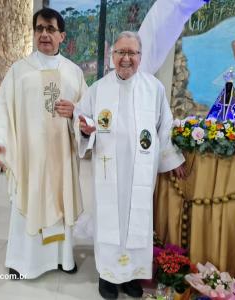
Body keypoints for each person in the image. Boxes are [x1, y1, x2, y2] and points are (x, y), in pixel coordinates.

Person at [75, 31, 185, 299]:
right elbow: (83, 119)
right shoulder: (98, 88)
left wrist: (172, 159)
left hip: (140, 171)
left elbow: (164, 127)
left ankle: (132, 276)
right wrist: (86, 131)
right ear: (112, 56)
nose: (126, 58)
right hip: (107, 171)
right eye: (120, 53)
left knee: (138, 221)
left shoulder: (154, 88)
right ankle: (108, 276)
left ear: (140, 57)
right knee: (109, 220)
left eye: (131, 53)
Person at [0, 8, 87, 279]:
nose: (44, 34)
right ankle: (23, 261)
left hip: (62, 155)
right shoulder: (19, 71)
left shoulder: (73, 72)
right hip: (29, 156)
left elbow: (86, 114)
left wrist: (76, 111)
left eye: (51, 29)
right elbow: (3, 109)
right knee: (29, 198)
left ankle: (62, 259)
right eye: (39, 28)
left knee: (60, 199)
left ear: (62, 36)